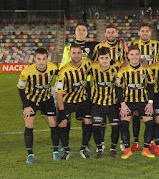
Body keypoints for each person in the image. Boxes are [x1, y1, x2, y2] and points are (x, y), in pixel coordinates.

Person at [58, 21, 98, 153]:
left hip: (85, 85)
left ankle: (85, 144)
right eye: (79, 30)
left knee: (86, 117)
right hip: (70, 85)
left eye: (84, 30)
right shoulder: (68, 47)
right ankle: (65, 143)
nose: (81, 32)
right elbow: (63, 64)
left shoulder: (93, 45)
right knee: (66, 117)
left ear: (87, 33)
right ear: (75, 32)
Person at [17, 47, 59, 164]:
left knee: (53, 123)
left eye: (44, 59)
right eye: (39, 59)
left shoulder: (53, 67)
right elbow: (20, 88)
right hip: (31, 101)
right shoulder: (26, 72)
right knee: (29, 124)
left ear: (47, 59)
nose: (41, 62)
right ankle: (30, 154)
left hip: (47, 100)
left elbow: (62, 75)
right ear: (34, 59)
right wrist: (26, 106)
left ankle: (55, 151)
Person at [126, 22, 159, 152]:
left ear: (150, 32)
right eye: (142, 31)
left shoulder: (158, 45)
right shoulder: (132, 46)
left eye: (147, 31)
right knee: (136, 113)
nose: (145, 33)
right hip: (137, 88)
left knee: (151, 115)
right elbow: (127, 61)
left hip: (153, 86)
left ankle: (151, 141)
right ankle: (136, 141)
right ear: (139, 32)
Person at [54, 43, 93, 159]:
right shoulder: (63, 71)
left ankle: (83, 148)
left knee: (88, 121)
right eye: (74, 53)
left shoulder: (87, 63)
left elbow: (99, 66)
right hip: (68, 101)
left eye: (78, 53)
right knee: (62, 122)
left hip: (83, 100)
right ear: (70, 54)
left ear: (82, 54)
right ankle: (66, 149)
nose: (76, 55)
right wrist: (61, 110)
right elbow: (58, 92)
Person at [92, 23, 127, 151]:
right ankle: (100, 144)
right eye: (108, 32)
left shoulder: (122, 45)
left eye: (113, 32)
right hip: (101, 90)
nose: (111, 34)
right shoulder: (99, 47)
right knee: (101, 121)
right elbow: (94, 63)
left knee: (121, 118)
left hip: (118, 85)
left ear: (116, 33)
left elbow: (125, 61)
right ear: (105, 34)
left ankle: (123, 141)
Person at [116, 45, 155, 159]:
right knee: (124, 124)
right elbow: (118, 88)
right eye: (132, 54)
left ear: (140, 56)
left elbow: (151, 86)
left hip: (143, 101)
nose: (134, 57)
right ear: (128, 56)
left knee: (150, 123)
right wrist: (122, 104)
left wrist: (150, 102)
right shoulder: (122, 71)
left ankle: (146, 149)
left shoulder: (146, 69)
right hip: (128, 102)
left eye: (136, 54)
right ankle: (127, 150)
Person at [89, 47, 122, 158]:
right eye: (102, 58)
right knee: (96, 127)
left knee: (115, 127)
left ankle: (113, 149)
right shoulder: (93, 68)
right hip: (97, 104)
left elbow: (124, 64)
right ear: (98, 58)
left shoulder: (116, 67)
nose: (104, 60)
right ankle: (99, 149)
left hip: (113, 103)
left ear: (110, 58)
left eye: (106, 58)